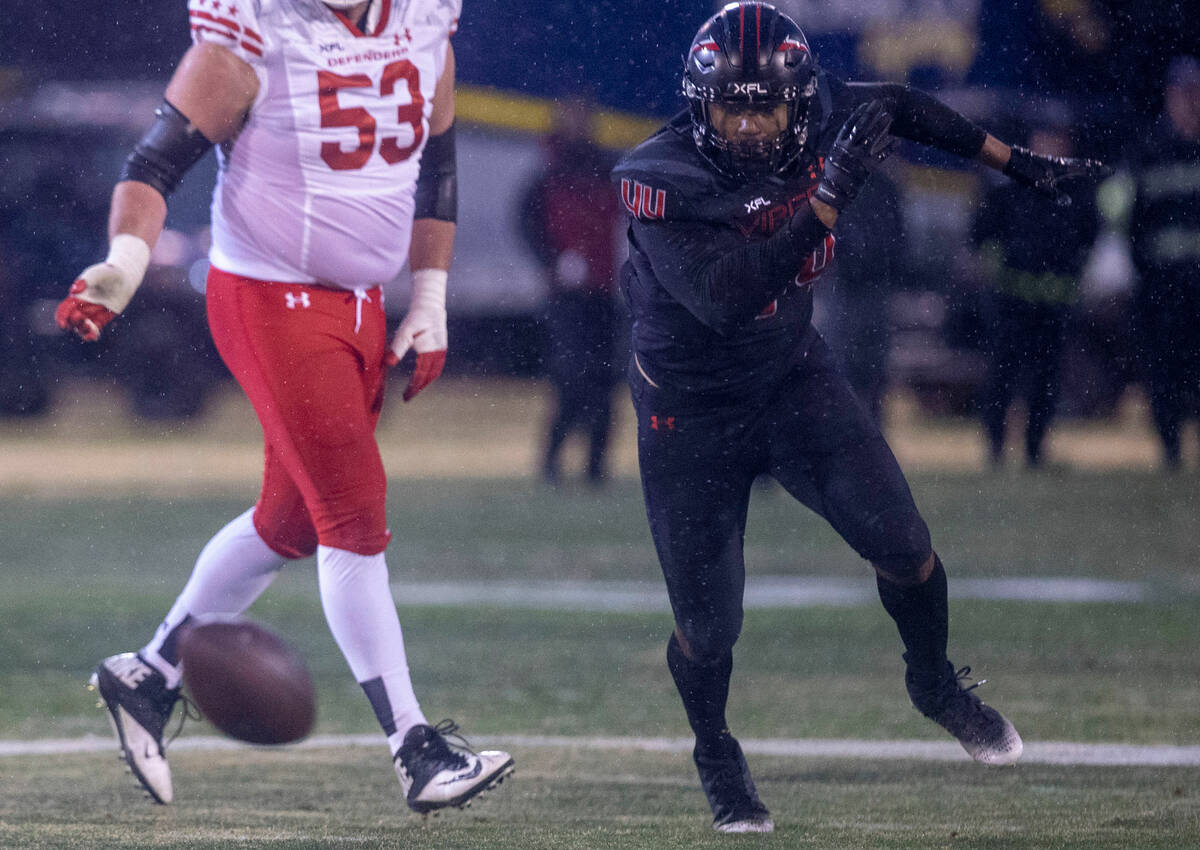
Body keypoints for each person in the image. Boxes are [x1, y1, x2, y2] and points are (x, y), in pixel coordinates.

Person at [612, 2, 1108, 833]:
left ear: (801, 100)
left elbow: (904, 107)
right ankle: (715, 749)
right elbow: (729, 298)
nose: (744, 124)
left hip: (789, 378)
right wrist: (830, 197)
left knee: (907, 546)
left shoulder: (820, 107)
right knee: (709, 626)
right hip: (688, 414)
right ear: (698, 105)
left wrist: (1014, 162)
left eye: (763, 105)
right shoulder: (657, 175)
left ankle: (933, 680)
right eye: (728, 106)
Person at [56, 0, 513, 813]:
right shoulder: (255, 30)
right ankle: (415, 747)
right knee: (352, 512)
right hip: (270, 296)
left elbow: (437, 163)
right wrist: (124, 262)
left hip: (363, 301)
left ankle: (148, 673)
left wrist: (431, 295)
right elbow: (153, 164)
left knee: (293, 522)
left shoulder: (426, 17)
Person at [971, 120, 1101, 468]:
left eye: (1057, 142)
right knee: (1002, 377)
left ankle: (1034, 449)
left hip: (1054, 305)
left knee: (1045, 381)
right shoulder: (1008, 189)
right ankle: (996, 448)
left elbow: (1090, 239)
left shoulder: (1075, 193)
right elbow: (980, 236)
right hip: (1011, 302)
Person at [519, 98, 623, 486]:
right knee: (572, 375)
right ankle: (552, 461)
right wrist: (554, 260)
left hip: (603, 290)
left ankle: (596, 466)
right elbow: (529, 223)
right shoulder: (551, 172)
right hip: (567, 295)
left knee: (602, 379)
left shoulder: (606, 166)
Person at [1124, 55, 1200, 470]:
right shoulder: (1150, 150)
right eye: (1183, 93)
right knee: (1166, 374)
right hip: (1164, 288)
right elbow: (1133, 223)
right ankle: (1171, 451)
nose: (1190, 102)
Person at [818, 169, 904, 425]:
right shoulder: (840, 182)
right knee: (842, 366)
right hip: (845, 287)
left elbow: (897, 239)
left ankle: (868, 433)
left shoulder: (882, 186)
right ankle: (844, 431)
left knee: (871, 368)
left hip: (870, 288)